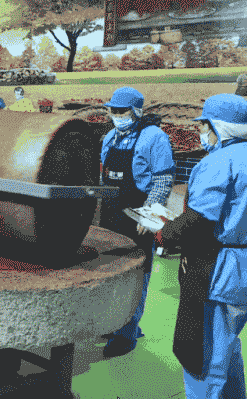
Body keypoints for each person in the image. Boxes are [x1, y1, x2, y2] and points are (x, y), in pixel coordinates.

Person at [155, 94, 247, 398]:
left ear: (218, 127)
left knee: (204, 358)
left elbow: (199, 220)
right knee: (227, 345)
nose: (201, 131)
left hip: (221, 271)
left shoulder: (219, 162)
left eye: (204, 125)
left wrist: (164, 233)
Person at [99, 86, 175, 358]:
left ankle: (126, 334)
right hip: (110, 214)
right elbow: (102, 176)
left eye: (121, 111)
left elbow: (163, 179)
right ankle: (112, 323)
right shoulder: (110, 137)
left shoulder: (154, 137)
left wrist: (150, 215)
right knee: (110, 272)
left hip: (137, 217)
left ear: (135, 112)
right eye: (113, 110)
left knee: (135, 275)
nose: (116, 115)